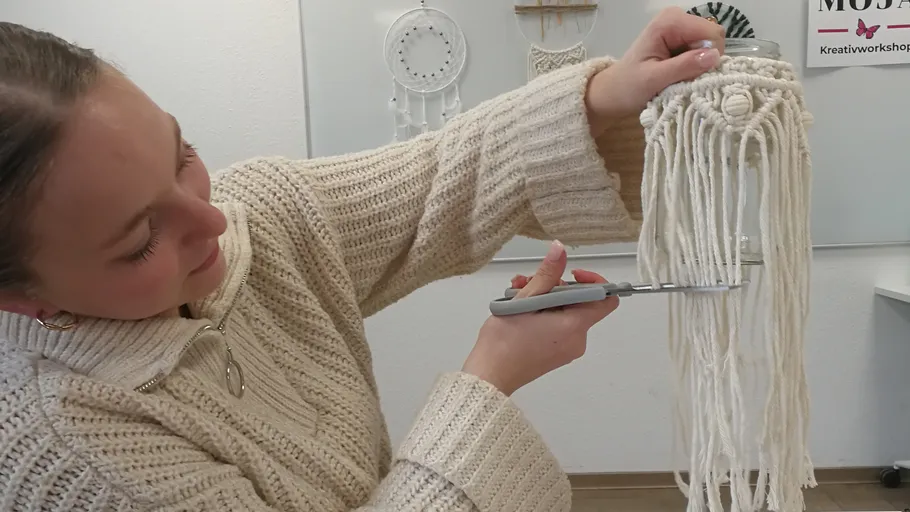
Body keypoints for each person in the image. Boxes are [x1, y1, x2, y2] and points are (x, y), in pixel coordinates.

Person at [0, 7, 724, 511]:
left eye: (181, 152)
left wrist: (604, 96)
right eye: (140, 242)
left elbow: (445, 177)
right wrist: (490, 376)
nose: (214, 217)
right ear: (22, 299)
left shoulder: (257, 217)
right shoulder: (68, 453)